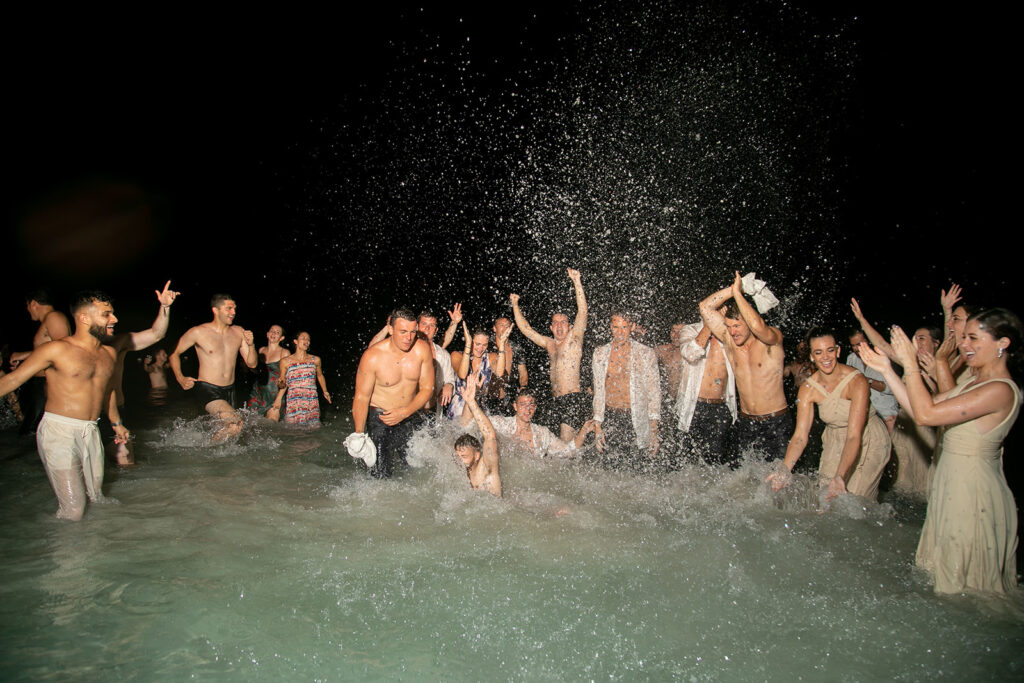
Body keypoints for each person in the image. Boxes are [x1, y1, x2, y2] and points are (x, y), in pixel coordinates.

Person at [859, 312, 1022, 595]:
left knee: (969, 588)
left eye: (973, 338)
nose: (965, 344)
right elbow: (919, 406)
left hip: (974, 489)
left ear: (1002, 343)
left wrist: (909, 363)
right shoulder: (973, 384)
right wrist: (886, 369)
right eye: (965, 337)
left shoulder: (1000, 390)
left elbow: (925, 416)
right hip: (953, 481)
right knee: (943, 574)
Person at [0, 291, 129, 520]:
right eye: (106, 314)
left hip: (90, 430)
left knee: (97, 498)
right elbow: (12, 380)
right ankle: (64, 553)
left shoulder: (107, 354)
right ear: (84, 318)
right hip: (58, 431)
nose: (114, 319)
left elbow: (106, 392)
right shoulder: (56, 349)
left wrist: (116, 423)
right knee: (74, 509)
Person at [767, 329, 891, 501]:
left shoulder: (857, 381)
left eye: (830, 350)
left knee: (854, 501)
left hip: (867, 438)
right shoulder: (807, 389)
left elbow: (855, 435)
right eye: (818, 352)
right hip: (834, 439)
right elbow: (800, 436)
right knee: (825, 500)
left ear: (838, 351)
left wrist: (840, 476)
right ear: (811, 356)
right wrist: (785, 469)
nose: (825, 357)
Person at [699, 272, 789, 465]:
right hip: (747, 423)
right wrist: (732, 290)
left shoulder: (772, 340)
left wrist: (739, 295)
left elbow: (758, 325)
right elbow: (705, 307)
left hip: (776, 421)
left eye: (738, 326)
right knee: (745, 481)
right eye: (729, 326)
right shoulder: (731, 342)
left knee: (780, 482)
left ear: (748, 322)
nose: (732, 332)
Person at [352, 308, 435, 478]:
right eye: (403, 332)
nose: (408, 338)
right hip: (381, 418)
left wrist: (405, 412)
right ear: (390, 330)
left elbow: (428, 389)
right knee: (381, 475)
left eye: (413, 332)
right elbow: (361, 397)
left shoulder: (422, 350)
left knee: (416, 471)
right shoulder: (372, 356)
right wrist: (359, 434)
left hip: (409, 413)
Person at [104, 281, 180, 464]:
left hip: (116, 412)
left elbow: (156, 334)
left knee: (125, 458)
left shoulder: (119, 342)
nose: (114, 320)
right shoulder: (72, 348)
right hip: (84, 417)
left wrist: (164, 307)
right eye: (106, 315)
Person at [511, 267, 589, 442]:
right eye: (556, 323)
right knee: (556, 447)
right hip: (556, 400)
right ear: (551, 328)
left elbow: (582, 312)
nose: (560, 326)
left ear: (570, 327)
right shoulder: (550, 344)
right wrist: (515, 305)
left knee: (565, 447)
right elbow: (527, 330)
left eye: (563, 322)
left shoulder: (574, 340)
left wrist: (577, 281)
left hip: (572, 400)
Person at [169, 293, 257, 442]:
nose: (233, 312)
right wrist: (180, 377)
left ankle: (211, 453)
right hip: (207, 389)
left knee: (233, 434)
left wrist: (251, 344)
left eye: (234, 308)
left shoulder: (238, 332)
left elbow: (252, 364)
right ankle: (208, 452)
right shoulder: (198, 332)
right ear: (215, 310)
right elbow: (174, 354)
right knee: (235, 423)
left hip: (230, 389)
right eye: (228, 308)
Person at [591, 311, 661, 470]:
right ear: (610, 327)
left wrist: (654, 431)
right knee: (609, 470)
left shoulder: (645, 353)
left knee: (638, 469)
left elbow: (654, 392)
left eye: (624, 327)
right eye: (616, 327)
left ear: (632, 327)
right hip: (610, 416)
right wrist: (597, 426)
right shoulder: (600, 353)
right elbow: (599, 391)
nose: (620, 332)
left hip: (636, 417)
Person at [674, 317, 737, 466]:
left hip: (720, 408)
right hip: (692, 406)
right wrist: (709, 324)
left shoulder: (731, 334)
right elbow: (690, 354)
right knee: (685, 461)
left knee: (716, 463)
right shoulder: (691, 330)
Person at [369, 310, 455, 415]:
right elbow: (372, 350)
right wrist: (388, 326)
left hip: (432, 412)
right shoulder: (404, 347)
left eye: (431, 325)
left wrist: (449, 385)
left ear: (436, 330)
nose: (427, 328)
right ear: (416, 326)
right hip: (405, 411)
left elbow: (449, 378)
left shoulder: (442, 354)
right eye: (424, 324)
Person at [467, 388, 595, 457]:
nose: (528, 409)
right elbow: (469, 424)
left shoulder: (543, 433)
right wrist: (470, 400)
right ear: (515, 406)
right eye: (523, 405)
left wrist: (583, 431)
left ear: (536, 407)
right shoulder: (501, 423)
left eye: (531, 405)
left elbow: (569, 451)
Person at [10, 289, 71, 434]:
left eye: (27, 305)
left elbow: (65, 351)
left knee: (34, 433)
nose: (27, 310)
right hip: (42, 386)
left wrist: (24, 355)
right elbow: (49, 352)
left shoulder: (54, 317)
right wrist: (25, 358)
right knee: (31, 433)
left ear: (33, 303)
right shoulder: (49, 320)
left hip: (48, 385)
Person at [446, 321, 510, 420]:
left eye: (484, 345)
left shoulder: (491, 357)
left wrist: (501, 345)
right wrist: (468, 345)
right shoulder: (457, 355)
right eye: (477, 344)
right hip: (460, 407)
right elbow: (462, 374)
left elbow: (500, 372)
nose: (481, 348)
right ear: (470, 340)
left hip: (481, 407)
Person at [454, 371, 501, 497]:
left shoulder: (485, 468)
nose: (459, 460)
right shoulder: (463, 471)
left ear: (476, 456)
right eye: (458, 456)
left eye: (463, 456)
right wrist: (470, 400)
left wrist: (473, 403)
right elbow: (464, 425)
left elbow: (490, 436)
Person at [271, 331, 331, 427]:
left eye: (308, 339)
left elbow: (320, 375)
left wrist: (325, 391)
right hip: (294, 400)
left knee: (313, 429)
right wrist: (279, 390)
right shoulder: (285, 361)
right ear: (295, 341)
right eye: (303, 338)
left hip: (311, 399)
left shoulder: (315, 360)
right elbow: (283, 382)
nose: (306, 341)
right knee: (293, 430)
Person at [247, 325, 291, 419]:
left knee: (271, 426)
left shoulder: (285, 353)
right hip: (258, 393)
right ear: (267, 334)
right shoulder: (261, 350)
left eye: (277, 332)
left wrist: (279, 399)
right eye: (272, 331)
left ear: (281, 338)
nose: (274, 333)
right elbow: (257, 371)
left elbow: (287, 378)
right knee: (251, 423)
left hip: (275, 396)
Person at [486, 316, 527, 415]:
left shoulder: (516, 348)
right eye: (501, 325)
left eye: (507, 326)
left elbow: (523, 373)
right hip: (487, 396)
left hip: (509, 398)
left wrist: (523, 388)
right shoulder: (487, 345)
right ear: (494, 328)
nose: (504, 328)